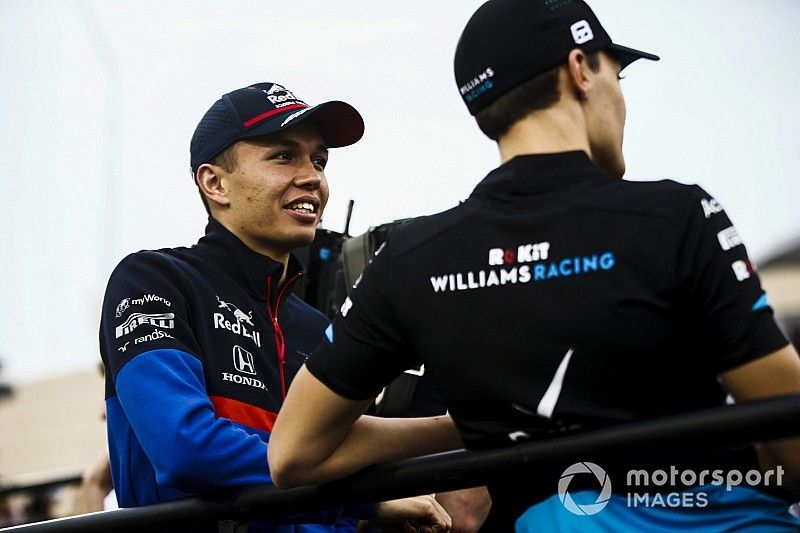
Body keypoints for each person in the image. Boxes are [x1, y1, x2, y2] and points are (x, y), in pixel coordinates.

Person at [267, 1, 800, 531]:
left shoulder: (408, 260)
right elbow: (788, 424)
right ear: (581, 69)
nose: (622, 101)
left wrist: (471, 428)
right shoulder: (676, 216)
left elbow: (294, 454)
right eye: (618, 75)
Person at [99, 82, 451, 532]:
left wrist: (456, 430)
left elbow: (344, 456)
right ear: (214, 183)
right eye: (284, 156)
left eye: (319, 160)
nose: (312, 177)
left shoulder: (317, 327)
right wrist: (363, 501)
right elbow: (186, 449)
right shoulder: (154, 280)